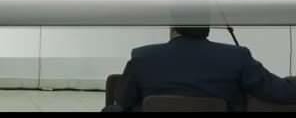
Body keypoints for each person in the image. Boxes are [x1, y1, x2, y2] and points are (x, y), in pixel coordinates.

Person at [108, 27, 296, 111]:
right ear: (207, 29)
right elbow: (278, 92)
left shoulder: (142, 57)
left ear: (173, 29)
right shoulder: (236, 57)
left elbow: (123, 101)